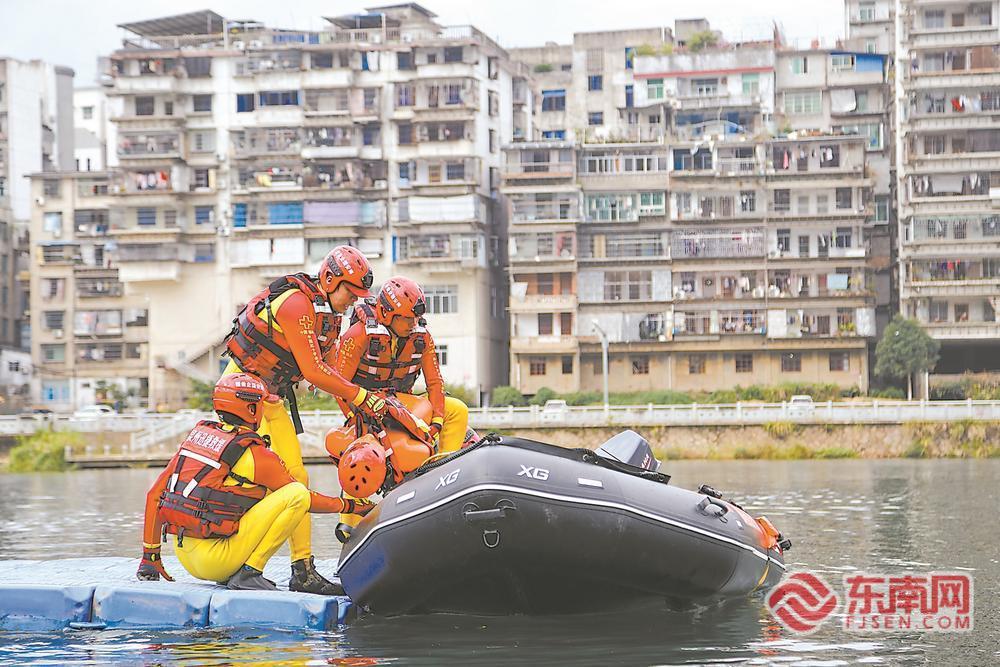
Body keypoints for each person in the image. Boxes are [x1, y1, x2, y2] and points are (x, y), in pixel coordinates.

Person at [221, 245, 389, 594]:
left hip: (270, 397)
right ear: (329, 279)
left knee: (297, 479)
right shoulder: (297, 304)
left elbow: (327, 368)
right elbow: (314, 372)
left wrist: (364, 400)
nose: (354, 301)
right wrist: (361, 396)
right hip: (240, 395)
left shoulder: (329, 313)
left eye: (360, 296)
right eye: (350, 292)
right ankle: (245, 566)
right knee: (275, 484)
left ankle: (302, 570)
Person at [137, 373, 372, 592]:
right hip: (215, 562)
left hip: (184, 555)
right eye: (261, 404)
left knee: (268, 493)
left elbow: (154, 494)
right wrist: (352, 507)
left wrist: (151, 556)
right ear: (251, 408)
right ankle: (250, 572)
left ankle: (236, 570)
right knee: (297, 493)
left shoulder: (197, 440)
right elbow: (306, 499)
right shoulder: (256, 455)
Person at [332, 277, 469, 538]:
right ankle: (348, 519)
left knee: (457, 409)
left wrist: (437, 421)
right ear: (385, 313)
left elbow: (435, 382)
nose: (412, 324)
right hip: (366, 408)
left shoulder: (421, 337)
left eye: (415, 319)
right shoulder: (358, 335)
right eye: (406, 319)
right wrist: (355, 415)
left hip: (403, 406)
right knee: (363, 447)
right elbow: (339, 384)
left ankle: (443, 472)